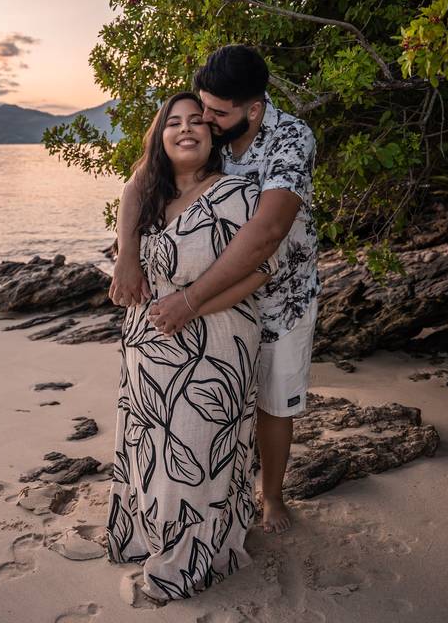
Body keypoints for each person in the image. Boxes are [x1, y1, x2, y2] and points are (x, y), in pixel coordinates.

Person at [109, 45, 320, 535]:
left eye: (216, 113)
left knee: (272, 399)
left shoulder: (291, 139)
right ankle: (216, 498)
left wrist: (189, 300)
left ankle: (269, 496)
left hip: (281, 290)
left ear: (255, 109)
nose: (204, 119)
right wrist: (126, 255)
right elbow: (139, 182)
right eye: (202, 108)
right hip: (211, 297)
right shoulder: (213, 129)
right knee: (219, 401)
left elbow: (267, 236)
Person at [106, 92, 278, 602]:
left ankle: (187, 559)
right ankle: (147, 536)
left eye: (197, 121)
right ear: (159, 138)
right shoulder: (149, 198)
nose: (186, 129)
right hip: (146, 346)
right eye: (173, 123)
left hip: (214, 347)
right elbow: (131, 189)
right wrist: (124, 255)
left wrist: (191, 306)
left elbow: (263, 270)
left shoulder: (238, 193)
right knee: (151, 449)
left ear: (213, 134)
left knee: (194, 453)